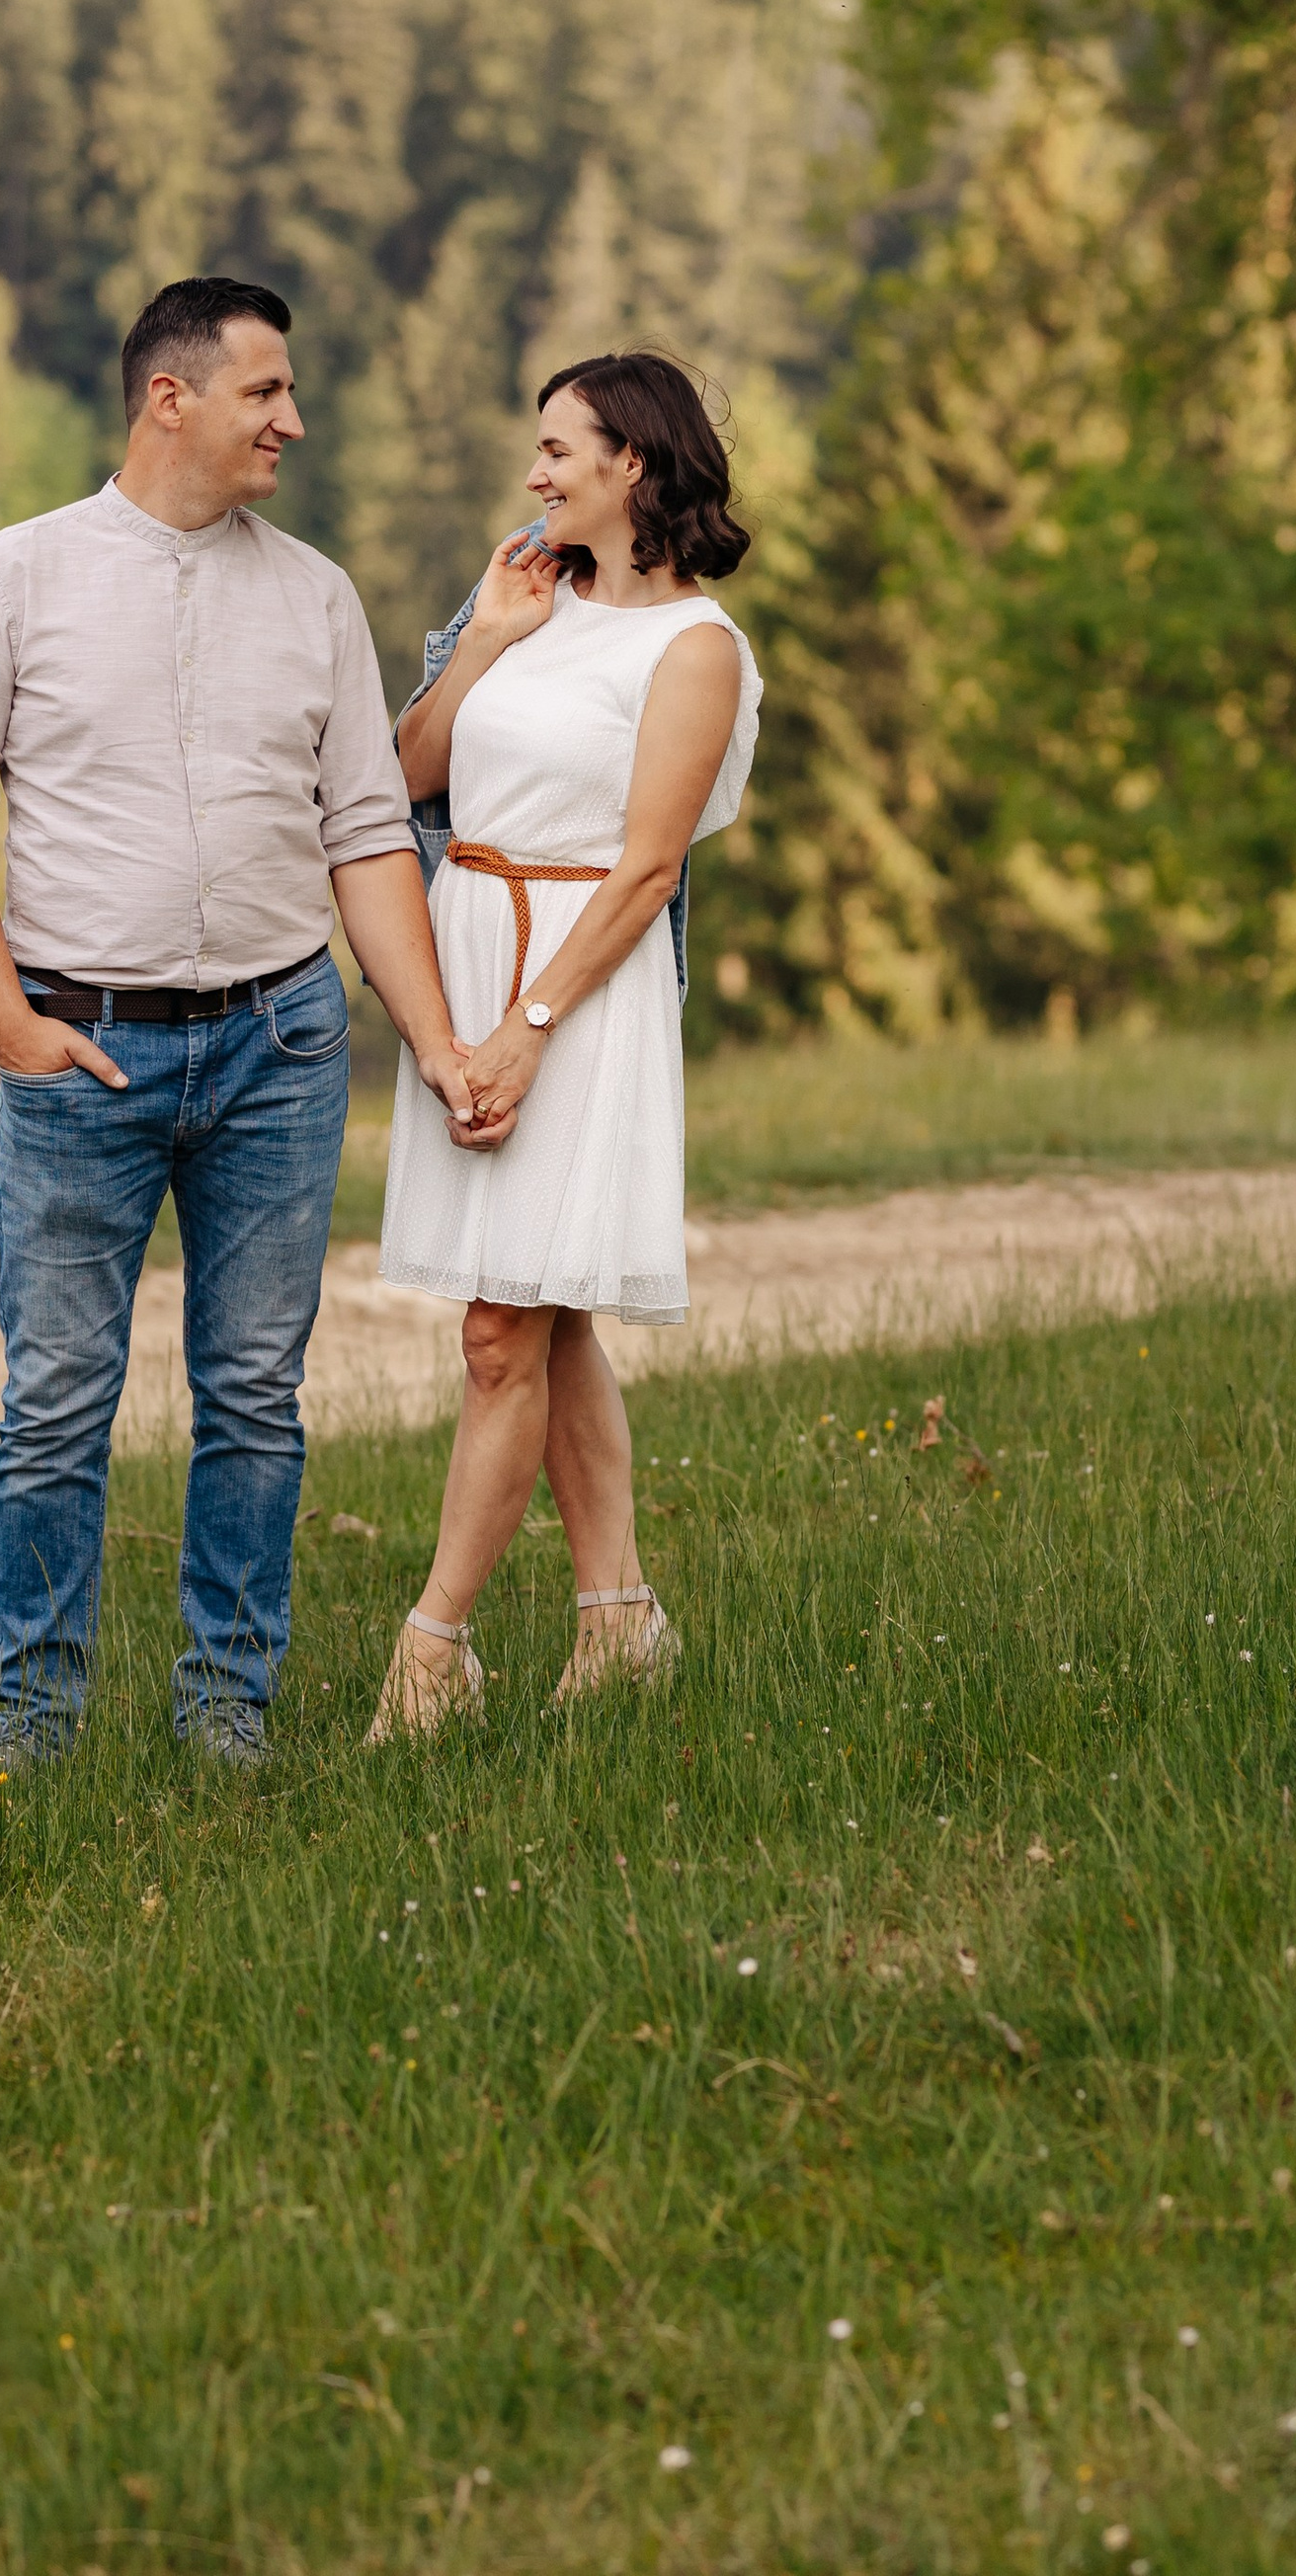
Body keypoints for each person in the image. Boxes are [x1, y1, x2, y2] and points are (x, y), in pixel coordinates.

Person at [0, 275, 485, 1793]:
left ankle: (227, 1711)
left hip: (280, 1050)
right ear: (172, 397)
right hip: (80, 1053)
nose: (292, 419)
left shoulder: (315, 595)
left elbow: (367, 829)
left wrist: (426, 1037)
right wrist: (6, 1023)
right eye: (265, 392)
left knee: (253, 1397)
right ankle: (29, 1731)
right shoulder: (10, 580)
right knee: (57, 1404)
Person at [368, 351, 761, 1739]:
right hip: (468, 941)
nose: (534, 474)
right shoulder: (532, 606)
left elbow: (648, 871)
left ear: (632, 466)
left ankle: (432, 1656)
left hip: (576, 994)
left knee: (498, 1335)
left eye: (557, 450)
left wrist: (527, 1032)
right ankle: (620, 1620)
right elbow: (402, 779)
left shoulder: (696, 650)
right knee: (550, 1312)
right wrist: (482, 639)